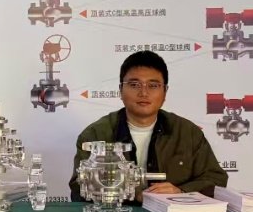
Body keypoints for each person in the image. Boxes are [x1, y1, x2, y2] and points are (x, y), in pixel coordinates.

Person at [69, 50, 227, 201]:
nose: (143, 93)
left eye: (153, 85)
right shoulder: (95, 134)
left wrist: (181, 192)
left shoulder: (187, 132)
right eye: (134, 85)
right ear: (121, 90)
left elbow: (216, 179)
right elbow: (79, 187)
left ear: (165, 92)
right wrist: (133, 194)